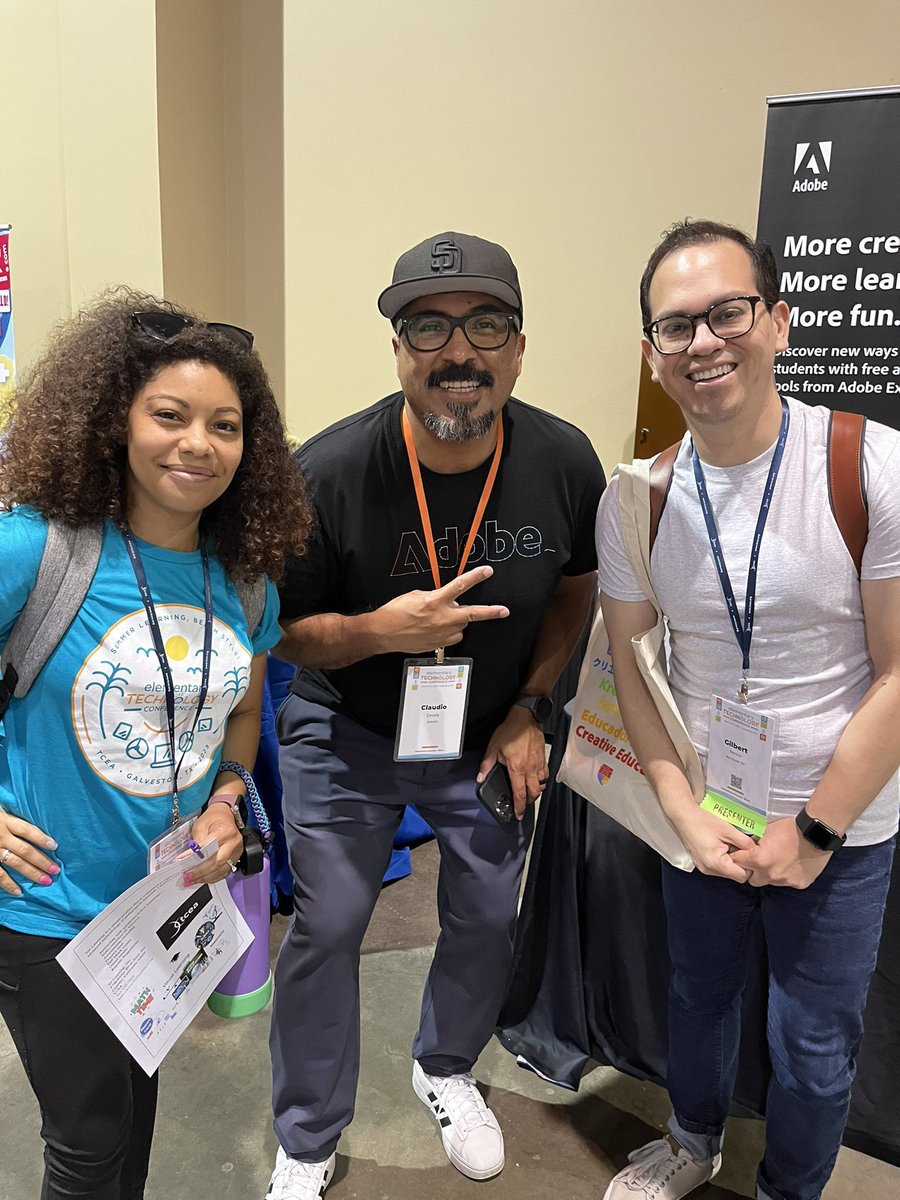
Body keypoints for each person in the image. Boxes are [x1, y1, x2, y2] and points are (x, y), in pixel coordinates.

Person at [267, 231, 605, 1198]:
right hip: (348, 735)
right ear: (401, 352)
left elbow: (575, 593)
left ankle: (445, 1067)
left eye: (485, 324)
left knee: (486, 915)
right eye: (430, 328)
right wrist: (379, 631)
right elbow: (283, 634)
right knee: (329, 927)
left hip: (491, 733)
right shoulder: (326, 471)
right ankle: (307, 1135)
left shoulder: (562, 458)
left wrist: (535, 705)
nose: (460, 352)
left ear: (519, 346)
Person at [596, 220, 900, 1200]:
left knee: (812, 1039)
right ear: (652, 355)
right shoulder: (634, 498)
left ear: (778, 322)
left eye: (727, 312)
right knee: (699, 992)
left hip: (841, 823)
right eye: (675, 326)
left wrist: (815, 828)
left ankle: (792, 1189)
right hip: (710, 810)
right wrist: (684, 813)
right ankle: (693, 1138)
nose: (703, 343)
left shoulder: (871, 467)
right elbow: (635, 671)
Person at [0, 289, 311, 1200]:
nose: (198, 444)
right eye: (168, 416)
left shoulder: (244, 583)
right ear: (115, 422)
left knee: (131, 1115)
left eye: (225, 424)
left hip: (161, 905)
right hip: (47, 906)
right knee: (89, 1147)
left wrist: (224, 798)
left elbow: (244, 717)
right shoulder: (36, 551)